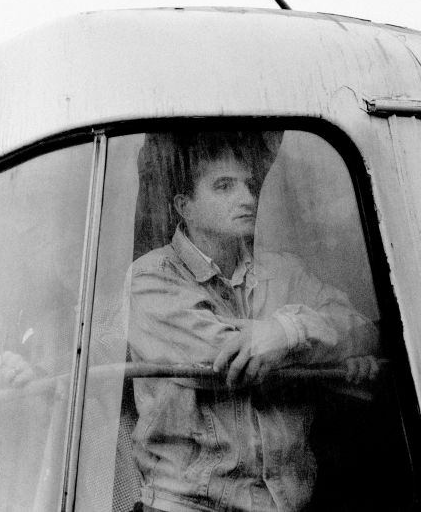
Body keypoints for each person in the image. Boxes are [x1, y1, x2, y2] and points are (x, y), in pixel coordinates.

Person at [126, 131, 379, 512]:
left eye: (250, 185)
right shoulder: (152, 277)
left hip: (290, 503)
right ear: (185, 206)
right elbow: (223, 354)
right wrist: (318, 344)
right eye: (225, 186)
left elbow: (363, 331)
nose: (247, 198)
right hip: (188, 506)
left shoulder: (284, 270)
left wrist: (284, 332)